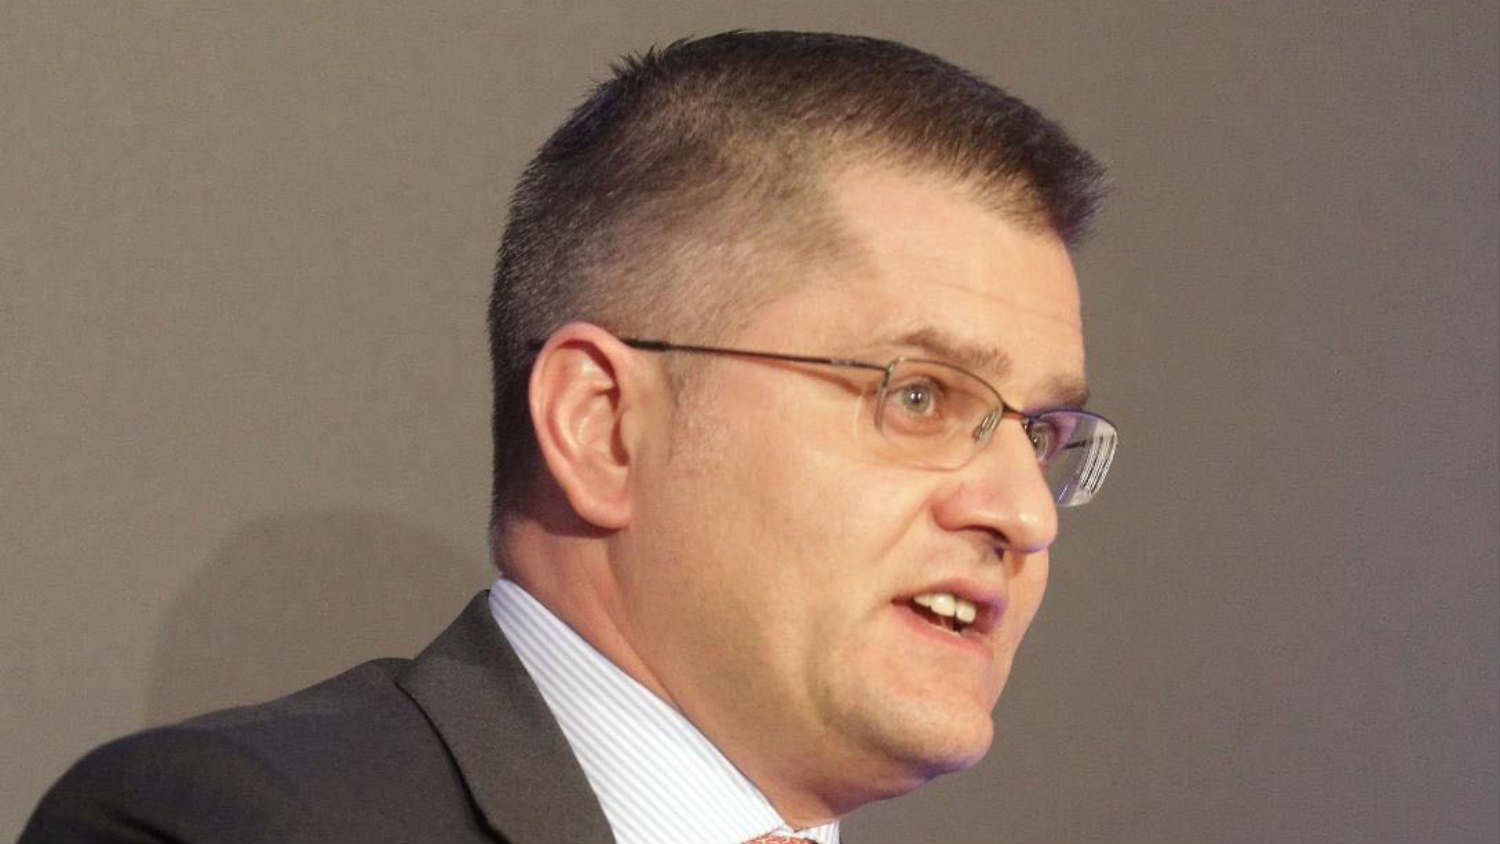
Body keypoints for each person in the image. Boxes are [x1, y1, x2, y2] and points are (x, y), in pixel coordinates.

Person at [21, 30, 1117, 844]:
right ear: (601, 427)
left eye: (1039, 434)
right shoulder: (225, 826)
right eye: (919, 396)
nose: (1025, 513)